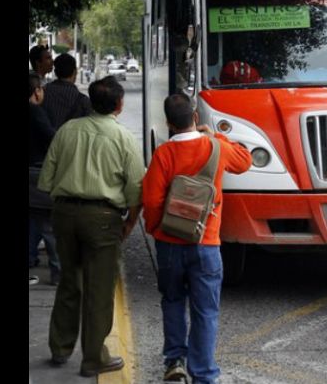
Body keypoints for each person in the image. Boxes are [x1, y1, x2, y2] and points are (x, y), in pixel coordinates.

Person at [38, 76, 145, 377]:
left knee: (69, 281)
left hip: (63, 214)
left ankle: (60, 348)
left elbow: (47, 180)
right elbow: (137, 189)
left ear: (90, 102)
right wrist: (130, 223)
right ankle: (93, 357)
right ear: (119, 105)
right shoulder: (123, 137)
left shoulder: (67, 131)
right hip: (102, 218)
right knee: (99, 290)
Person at [142, 94, 251, 384]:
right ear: (195, 117)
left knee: (173, 300)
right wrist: (215, 135)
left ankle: (174, 360)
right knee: (206, 310)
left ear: (168, 122)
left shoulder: (163, 154)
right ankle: (203, 373)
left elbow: (152, 201)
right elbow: (245, 161)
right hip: (206, 243)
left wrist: (156, 231)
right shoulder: (214, 147)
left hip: (169, 244)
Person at [29, 73, 61, 285]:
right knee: (49, 227)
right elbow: (54, 138)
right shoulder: (35, 112)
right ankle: (58, 273)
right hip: (36, 173)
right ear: (36, 91)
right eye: (41, 88)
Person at [44, 53, 92, 129]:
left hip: (44, 139)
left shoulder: (41, 92)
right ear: (75, 72)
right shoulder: (83, 101)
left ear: (55, 72)